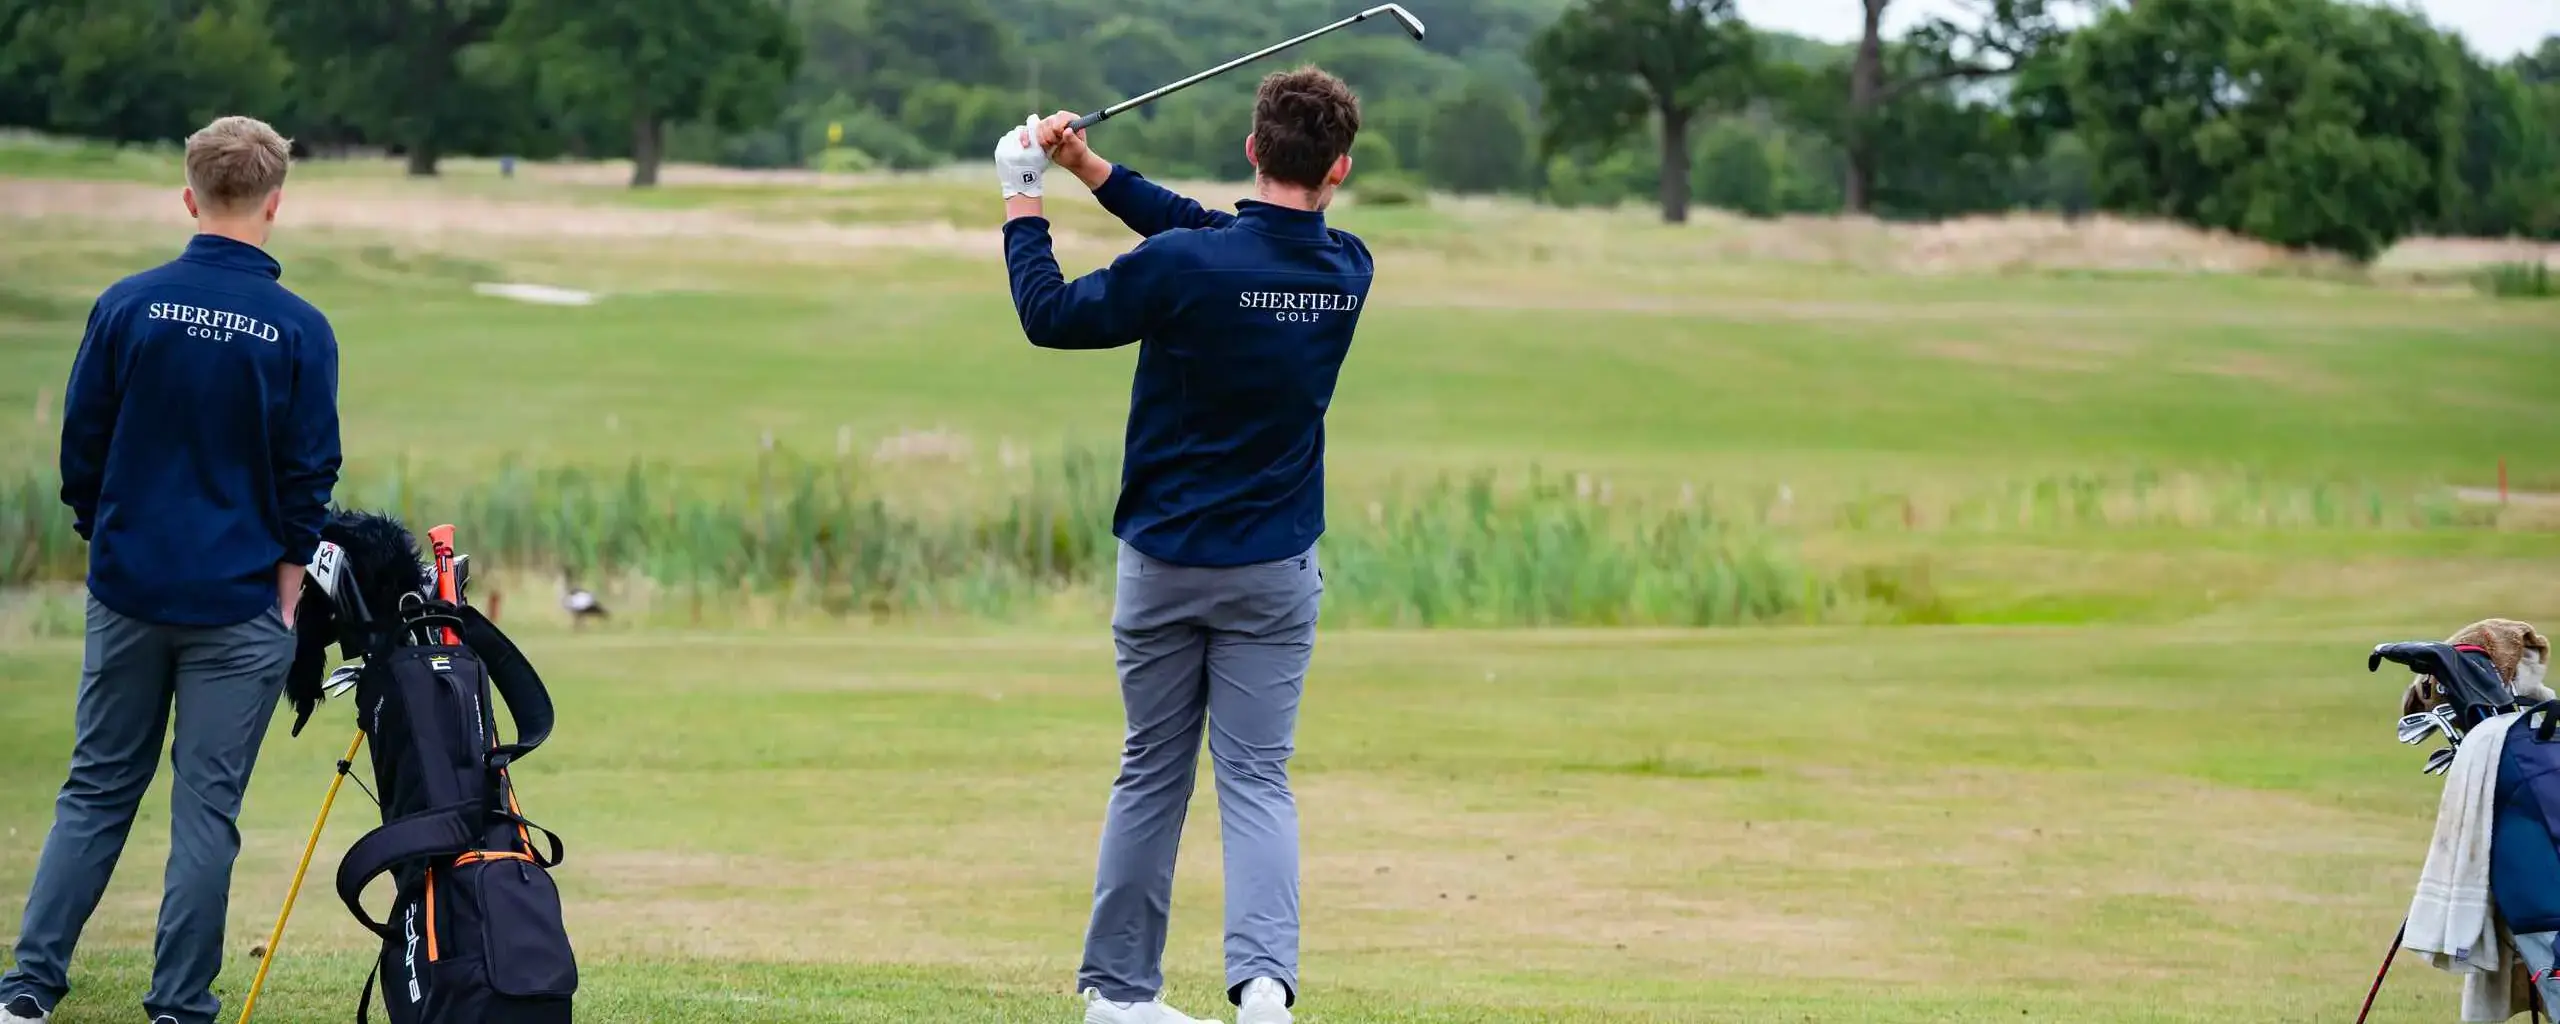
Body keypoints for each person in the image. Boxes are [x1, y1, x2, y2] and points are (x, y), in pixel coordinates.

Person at [992, 66, 1372, 1024]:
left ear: (1252, 147)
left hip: (1163, 564)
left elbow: (1051, 317)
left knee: (1152, 773)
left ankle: (1119, 998)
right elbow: (1221, 236)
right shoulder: (1348, 268)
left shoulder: (1186, 268)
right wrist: (1087, 166)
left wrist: (1024, 194)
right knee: (1256, 780)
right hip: (1274, 571)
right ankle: (1264, 993)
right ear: (1340, 169)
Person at [2, 114, 342, 1024]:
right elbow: (310, 474)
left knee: (97, 789)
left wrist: (101, 536)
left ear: (190, 198)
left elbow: (83, 448)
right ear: (276, 202)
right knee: (206, 811)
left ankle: (28, 990)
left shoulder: (128, 305)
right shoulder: (300, 329)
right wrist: (289, 574)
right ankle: (178, 1004)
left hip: (132, 588)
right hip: (239, 603)